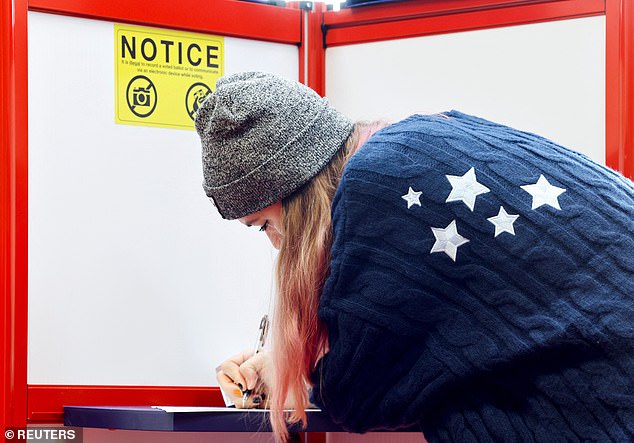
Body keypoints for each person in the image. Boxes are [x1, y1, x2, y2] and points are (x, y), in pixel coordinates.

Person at [194, 71, 634, 442]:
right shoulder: (424, 138)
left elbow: (358, 388)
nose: (276, 245)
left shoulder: (375, 184)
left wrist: (290, 373)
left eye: (265, 225)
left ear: (295, 193)